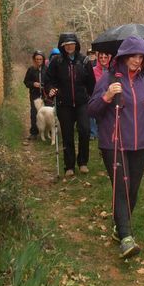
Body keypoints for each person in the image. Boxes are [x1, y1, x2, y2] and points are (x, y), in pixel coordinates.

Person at [89, 36, 144, 259]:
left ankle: (119, 227)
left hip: (140, 143)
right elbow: (91, 110)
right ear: (124, 56)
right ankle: (126, 237)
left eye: (141, 56)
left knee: (133, 190)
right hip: (114, 143)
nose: (137, 60)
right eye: (133, 56)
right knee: (121, 188)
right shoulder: (109, 78)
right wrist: (107, 96)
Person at [43, 32, 96, 178]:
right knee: (67, 134)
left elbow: (91, 83)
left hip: (82, 103)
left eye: (72, 44)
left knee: (85, 130)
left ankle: (83, 162)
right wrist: (51, 89)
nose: (69, 46)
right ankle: (69, 166)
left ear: (76, 44)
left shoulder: (84, 61)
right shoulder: (57, 61)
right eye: (66, 44)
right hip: (64, 103)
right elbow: (48, 81)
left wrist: (92, 97)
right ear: (62, 46)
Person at [22, 50, 45, 138]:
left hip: (45, 95)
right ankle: (34, 132)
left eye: (40, 59)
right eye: (37, 59)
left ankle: (47, 132)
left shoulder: (47, 69)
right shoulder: (31, 70)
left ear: (43, 60)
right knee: (34, 113)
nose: (38, 61)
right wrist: (33, 84)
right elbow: (26, 82)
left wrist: (45, 86)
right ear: (34, 60)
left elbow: (51, 81)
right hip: (34, 95)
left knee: (46, 113)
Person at [90, 50, 112, 140]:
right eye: (101, 57)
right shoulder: (93, 70)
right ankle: (93, 132)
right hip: (96, 96)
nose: (103, 59)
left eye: (105, 57)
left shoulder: (112, 70)